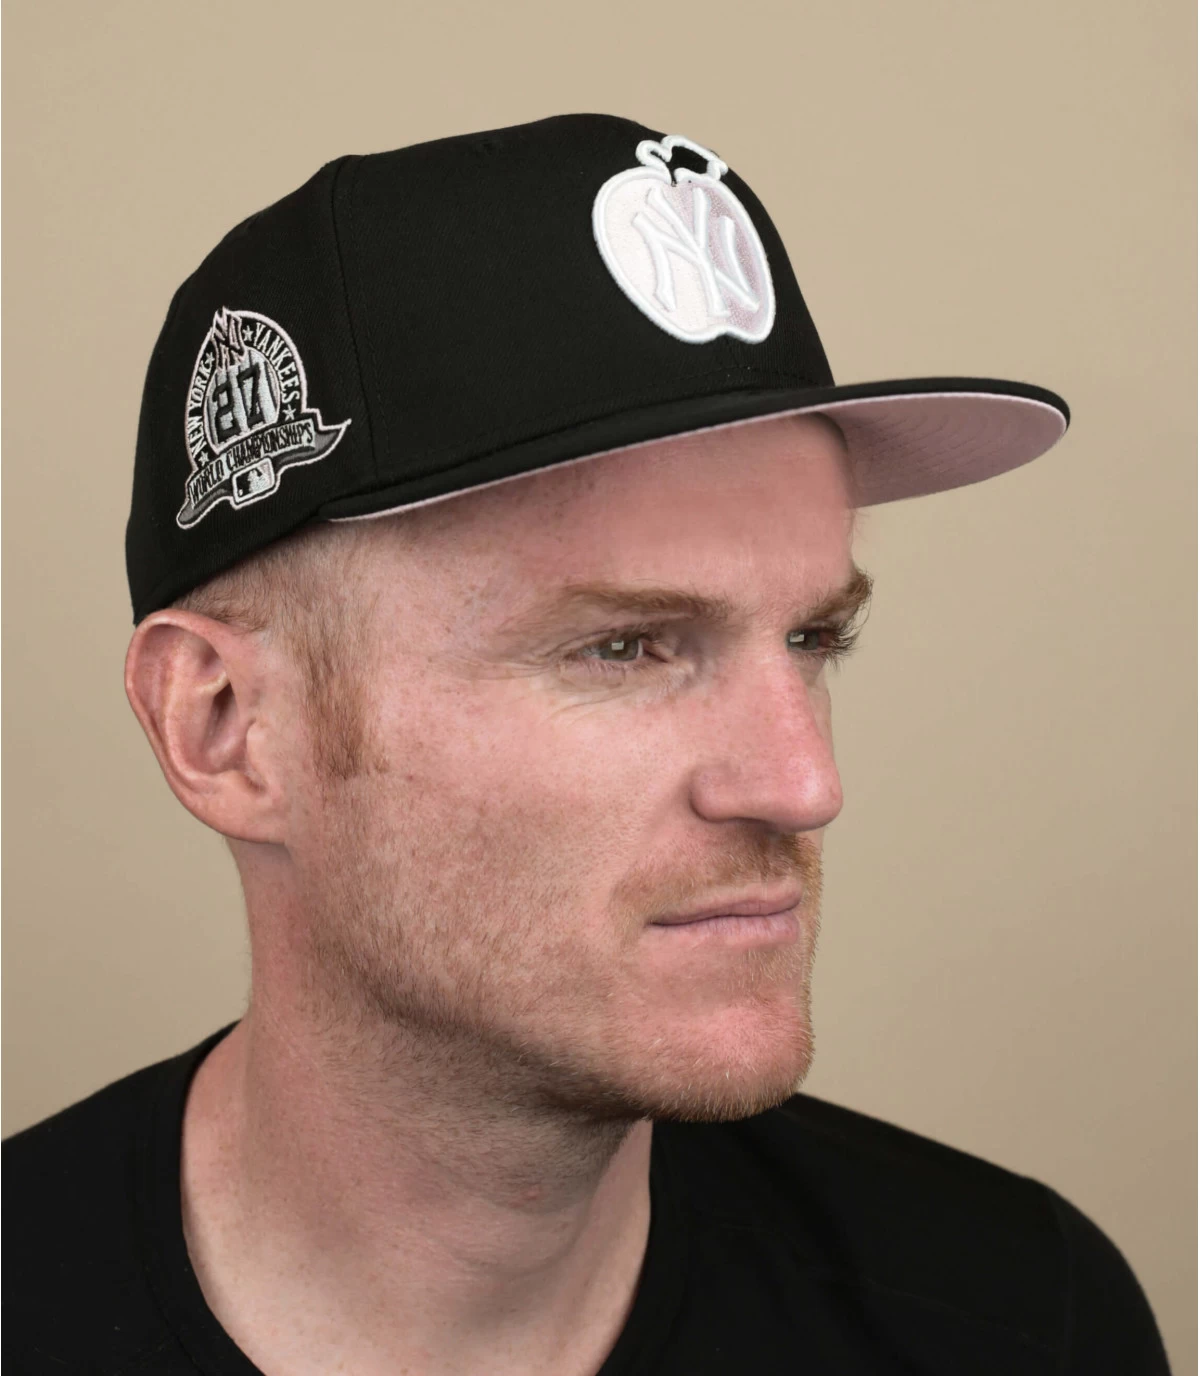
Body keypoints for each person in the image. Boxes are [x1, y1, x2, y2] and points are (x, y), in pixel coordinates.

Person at [4, 114, 1171, 1375]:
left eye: (813, 637)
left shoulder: (1018, 1319)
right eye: (624, 648)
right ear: (226, 727)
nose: (803, 782)